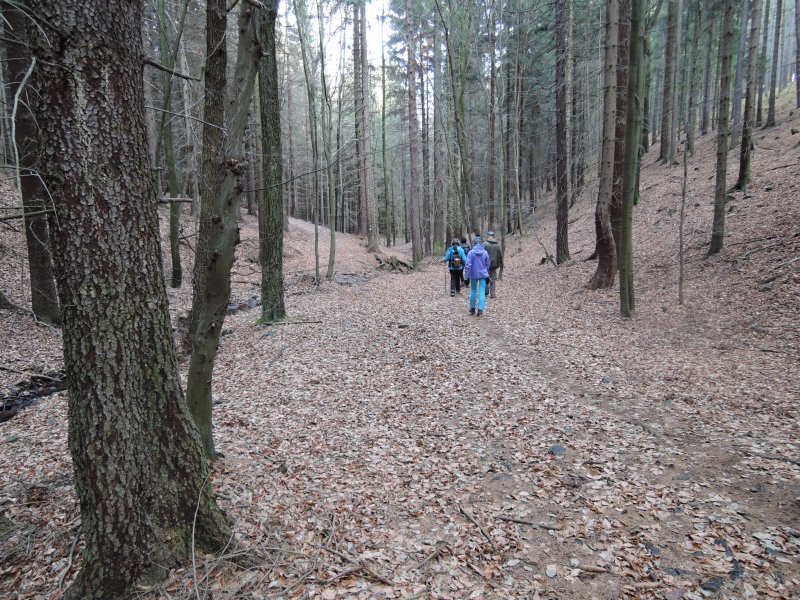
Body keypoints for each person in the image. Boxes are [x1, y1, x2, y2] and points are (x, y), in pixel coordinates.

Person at [465, 235, 490, 316]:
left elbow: (468, 266)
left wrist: (466, 277)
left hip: (473, 275)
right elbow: (487, 264)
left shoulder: (470, 253)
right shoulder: (485, 253)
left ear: (474, 243)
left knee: (473, 290)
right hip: (483, 274)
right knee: (482, 291)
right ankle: (480, 310)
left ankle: (472, 309)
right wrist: (486, 273)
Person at [483, 230, 504, 299]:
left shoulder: (484, 244)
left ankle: (486, 292)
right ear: (493, 236)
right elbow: (500, 255)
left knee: (485, 277)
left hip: (485, 264)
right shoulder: (497, 245)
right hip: (494, 264)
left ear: (488, 236)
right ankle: (492, 294)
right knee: (493, 279)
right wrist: (501, 263)